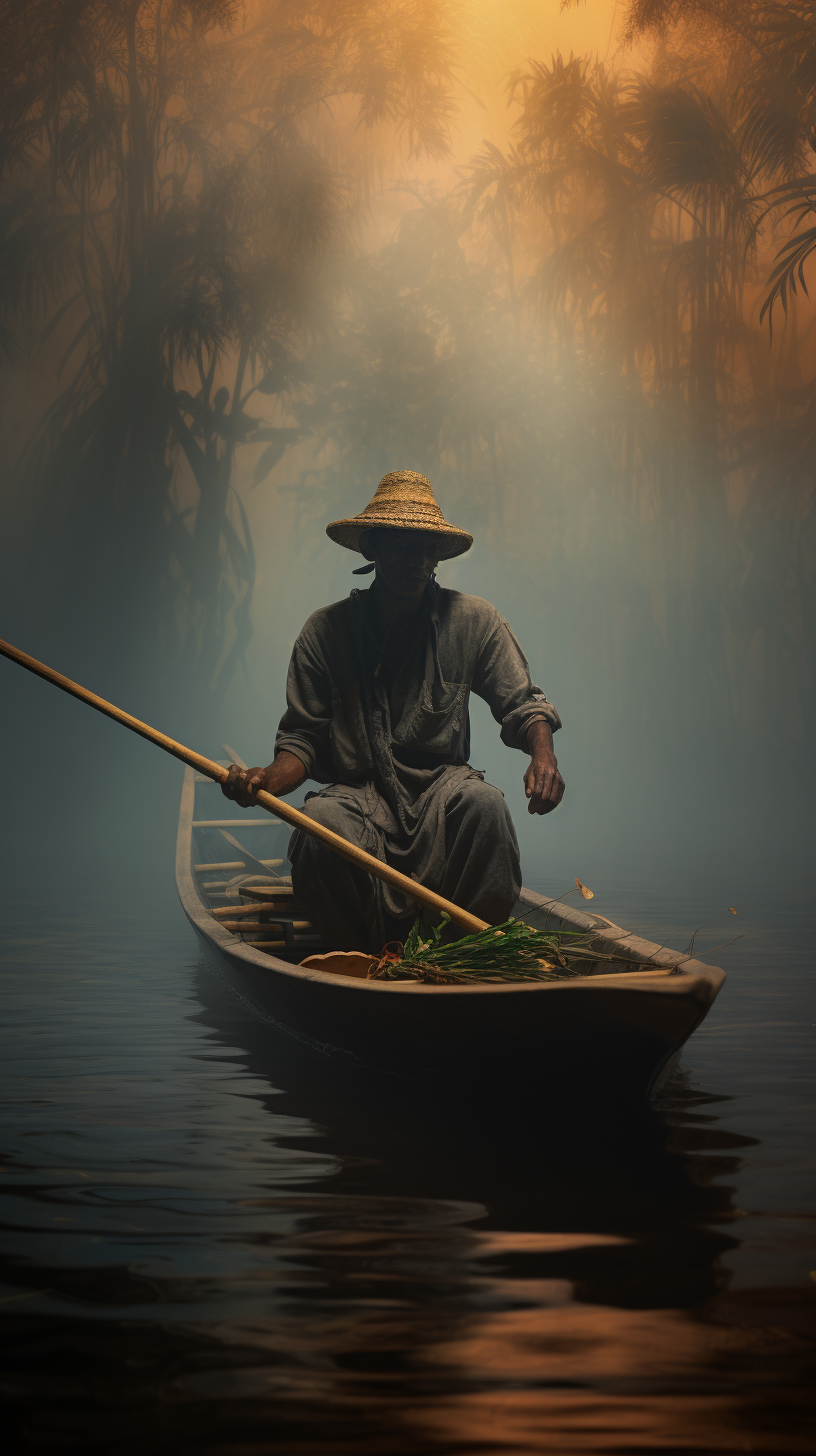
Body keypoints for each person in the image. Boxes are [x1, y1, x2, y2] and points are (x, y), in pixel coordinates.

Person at [222, 470, 564, 951]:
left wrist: (543, 755)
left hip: (442, 791)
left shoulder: (474, 621)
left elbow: (524, 704)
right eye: (402, 546)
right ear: (372, 549)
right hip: (357, 796)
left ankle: (457, 952)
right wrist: (266, 781)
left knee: (486, 808)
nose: (417, 560)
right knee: (320, 826)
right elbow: (302, 740)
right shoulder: (325, 632)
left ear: (438, 556)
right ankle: (363, 957)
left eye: (426, 549)